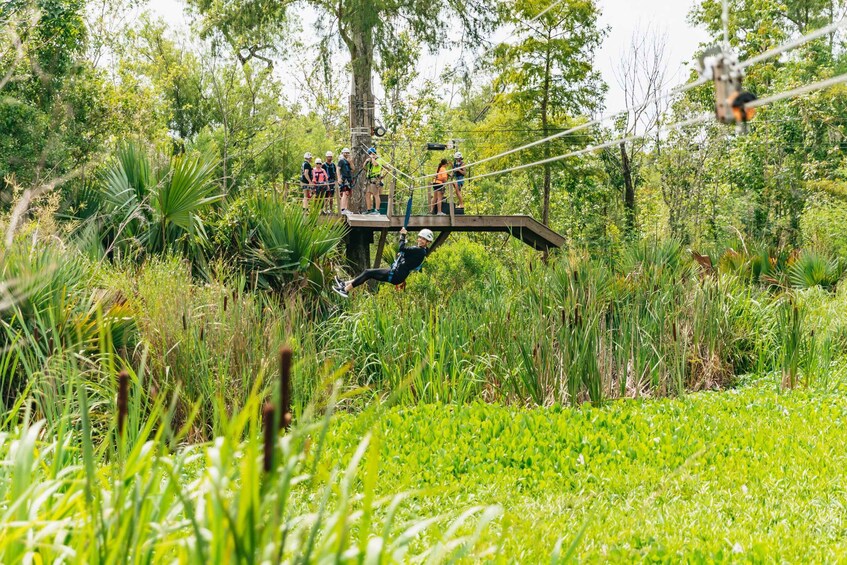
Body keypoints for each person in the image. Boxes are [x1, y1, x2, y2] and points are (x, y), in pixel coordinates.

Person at [332, 228, 434, 297]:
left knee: (368, 272)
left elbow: (401, 248)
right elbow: (409, 257)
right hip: (397, 272)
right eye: (420, 237)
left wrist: (402, 235)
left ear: (428, 242)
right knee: (368, 273)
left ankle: (345, 290)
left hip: (397, 274)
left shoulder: (419, 250)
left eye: (424, 239)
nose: (421, 240)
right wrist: (403, 255)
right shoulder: (421, 251)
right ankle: (345, 284)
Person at [365, 147, 385, 215]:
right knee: (367, 194)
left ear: (374, 153)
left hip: (375, 179)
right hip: (369, 179)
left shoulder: (379, 159)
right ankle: (369, 210)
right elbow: (364, 168)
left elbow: (375, 164)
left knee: (376, 194)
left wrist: (373, 158)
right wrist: (366, 161)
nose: (370, 155)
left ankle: (377, 210)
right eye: (369, 154)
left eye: (371, 153)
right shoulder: (370, 161)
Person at [338, 147, 354, 215]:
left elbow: (353, 169)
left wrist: (350, 162)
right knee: (344, 193)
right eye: (345, 153)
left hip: (348, 179)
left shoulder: (348, 161)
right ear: (343, 153)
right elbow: (338, 169)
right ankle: (342, 209)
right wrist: (339, 178)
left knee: (347, 194)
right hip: (344, 179)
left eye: (348, 153)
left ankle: (346, 208)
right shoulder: (341, 161)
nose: (347, 154)